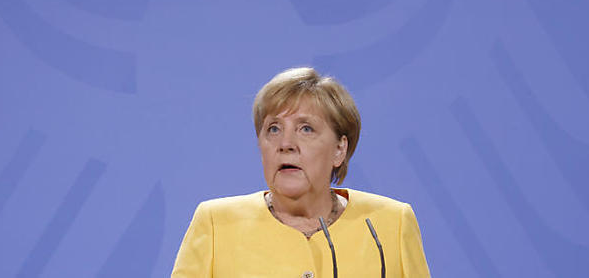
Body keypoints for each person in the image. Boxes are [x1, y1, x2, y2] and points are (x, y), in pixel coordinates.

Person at [171, 67, 431, 277]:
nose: (285, 144)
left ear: (340, 148)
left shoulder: (390, 224)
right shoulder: (217, 224)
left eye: (305, 128)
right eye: (273, 128)